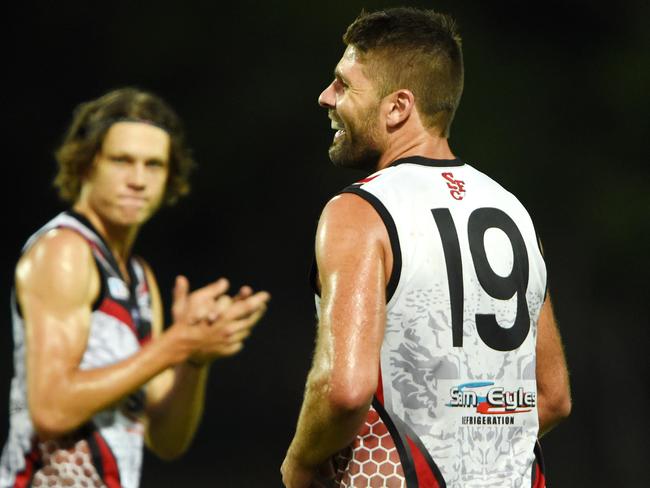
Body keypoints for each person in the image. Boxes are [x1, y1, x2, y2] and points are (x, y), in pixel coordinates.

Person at [282, 8, 571, 488]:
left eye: (344, 85)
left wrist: (300, 463)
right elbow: (553, 395)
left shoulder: (360, 212)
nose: (326, 96)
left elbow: (345, 390)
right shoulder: (516, 213)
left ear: (397, 107)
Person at [0, 88, 270, 488]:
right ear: (87, 163)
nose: (139, 180)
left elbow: (166, 440)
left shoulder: (138, 276)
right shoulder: (63, 252)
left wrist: (194, 359)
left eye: (154, 165)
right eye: (122, 161)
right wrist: (176, 344)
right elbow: (51, 410)